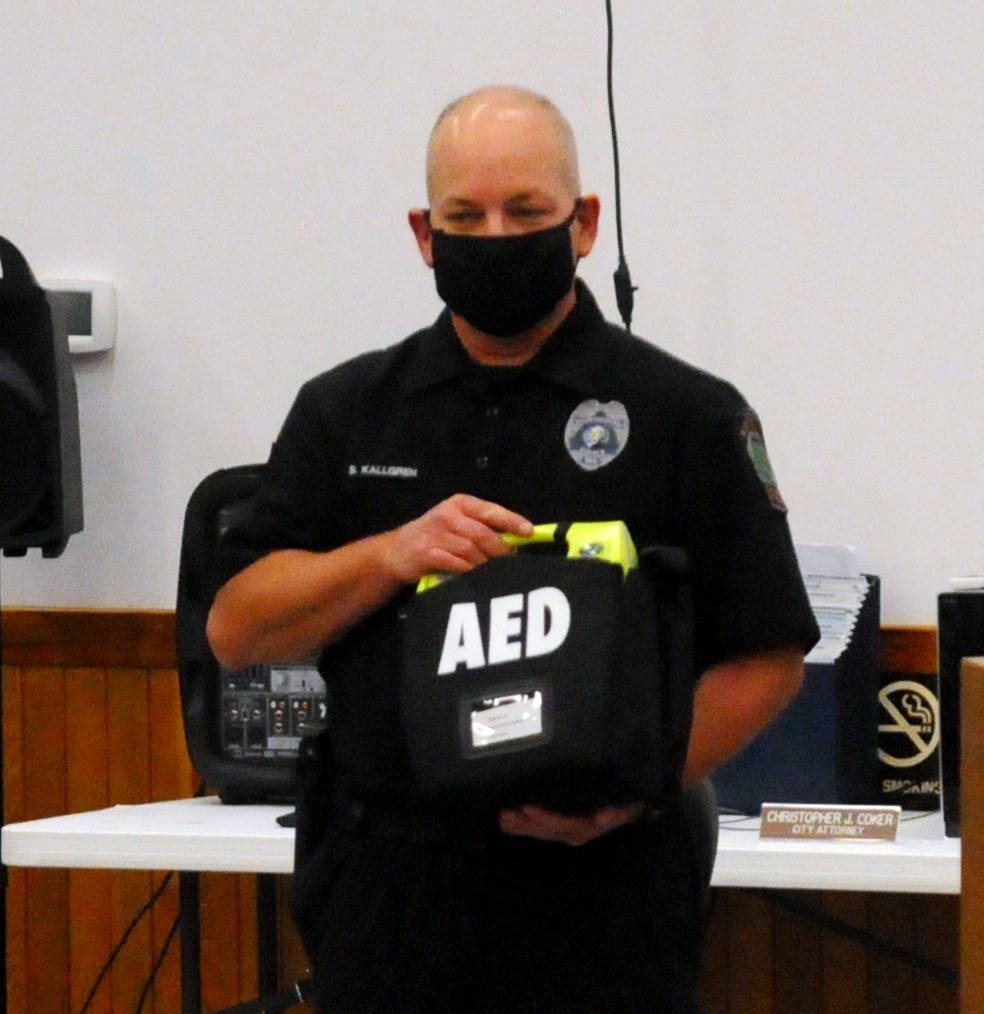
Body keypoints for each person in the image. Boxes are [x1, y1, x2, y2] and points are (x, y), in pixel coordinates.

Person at [207, 85, 820, 1013]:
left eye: (527, 212)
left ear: (585, 224)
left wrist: (637, 791)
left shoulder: (685, 415)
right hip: (387, 897)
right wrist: (391, 554)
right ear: (425, 234)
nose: (495, 236)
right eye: (465, 217)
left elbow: (769, 656)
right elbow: (237, 629)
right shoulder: (346, 411)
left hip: (602, 899)